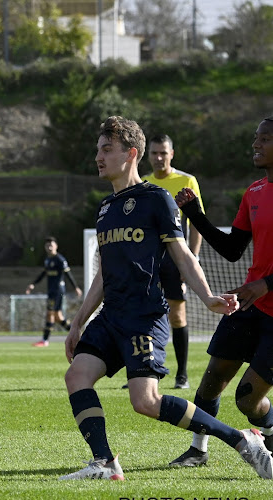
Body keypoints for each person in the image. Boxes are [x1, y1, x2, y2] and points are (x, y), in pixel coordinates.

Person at [60, 115, 272, 481]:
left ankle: (241, 440)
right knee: (77, 375)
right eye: (97, 149)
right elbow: (102, 276)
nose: (98, 156)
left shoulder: (156, 199)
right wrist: (78, 320)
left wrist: (206, 298)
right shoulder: (106, 209)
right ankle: (105, 463)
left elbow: (184, 256)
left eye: (106, 149)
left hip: (144, 316)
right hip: (111, 316)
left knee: (145, 402)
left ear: (131, 154)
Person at [169, 116, 273, 467]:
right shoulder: (255, 191)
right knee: (211, 382)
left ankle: (269, 434)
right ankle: (198, 450)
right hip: (250, 305)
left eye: (265, 139)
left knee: (247, 400)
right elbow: (232, 250)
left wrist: (267, 284)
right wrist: (195, 215)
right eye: (255, 138)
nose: (256, 144)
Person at [143, 134, 204, 389]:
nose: (159, 158)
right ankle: (145, 370)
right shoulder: (143, 183)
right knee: (143, 314)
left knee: (177, 315)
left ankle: (182, 374)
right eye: (154, 153)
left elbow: (197, 223)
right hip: (148, 261)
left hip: (174, 258)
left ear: (172, 154)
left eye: (163, 153)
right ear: (148, 155)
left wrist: (191, 259)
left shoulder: (187, 180)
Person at [25, 236, 82, 347]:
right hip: (51, 291)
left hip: (57, 291)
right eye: (47, 245)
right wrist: (33, 284)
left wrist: (75, 287)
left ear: (56, 246)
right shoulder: (48, 260)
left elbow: (67, 273)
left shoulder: (60, 259)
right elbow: (43, 274)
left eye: (51, 245)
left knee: (49, 314)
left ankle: (45, 340)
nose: (49, 247)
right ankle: (79, 336)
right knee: (58, 317)